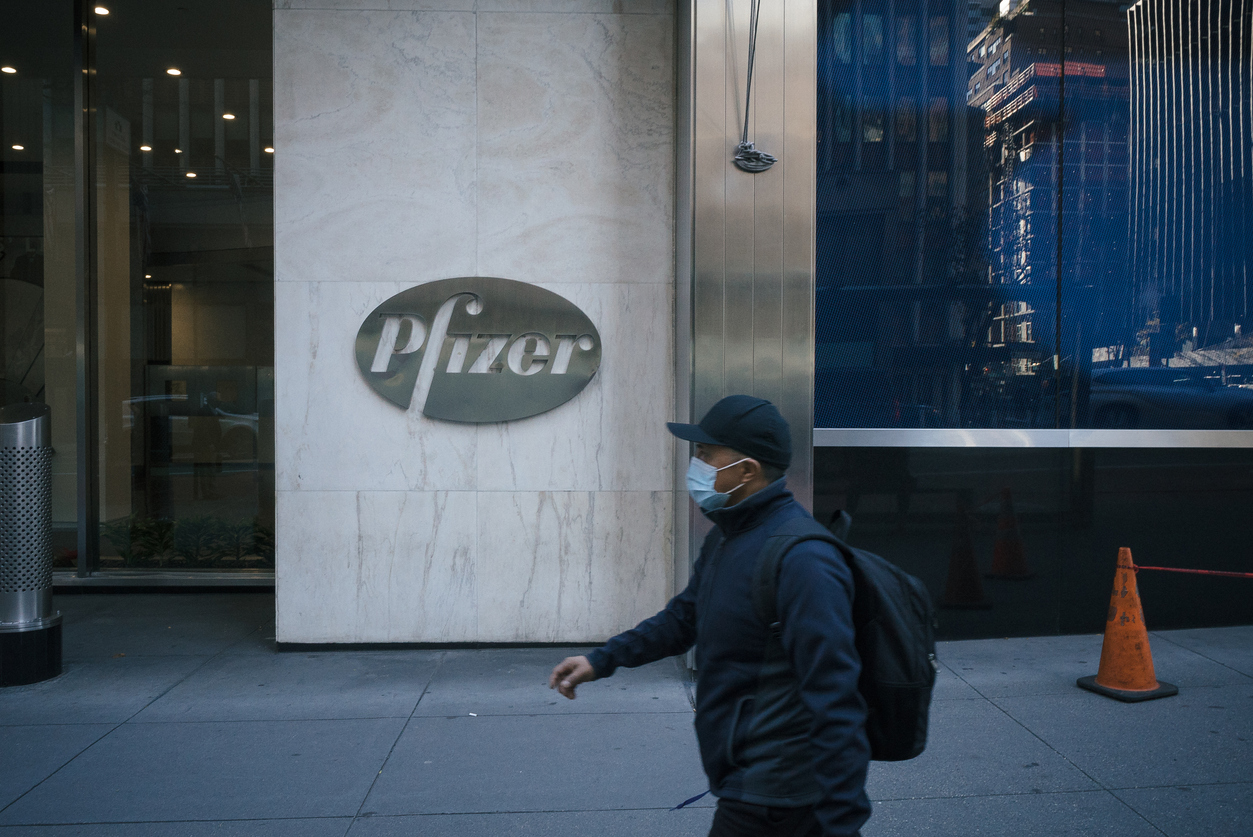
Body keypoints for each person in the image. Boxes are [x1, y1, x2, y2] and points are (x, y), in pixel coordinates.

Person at [549, 395, 871, 836]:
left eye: (705, 454)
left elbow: (837, 696)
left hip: (781, 795)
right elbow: (683, 619)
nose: (695, 464)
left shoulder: (803, 560)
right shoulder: (729, 536)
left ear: (747, 471)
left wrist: (842, 822)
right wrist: (602, 659)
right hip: (745, 777)